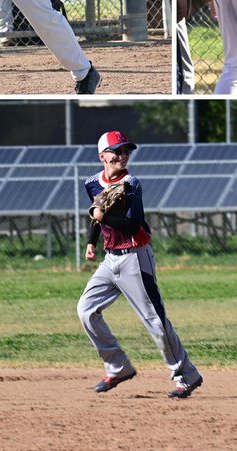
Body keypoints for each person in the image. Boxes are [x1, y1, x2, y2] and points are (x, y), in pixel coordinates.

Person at [77, 130, 202, 400]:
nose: (123, 155)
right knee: (86, 310)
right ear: (103, 157)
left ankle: (186, 375)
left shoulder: (132, 182)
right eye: (117, 151)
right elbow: (98, 214)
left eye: (126, 151)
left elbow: (132, 224)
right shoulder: (91, 183)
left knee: (155, 320)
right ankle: (117, 367)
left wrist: (102, 215)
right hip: (110, 259)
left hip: (136, 256)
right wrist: (91, 240)